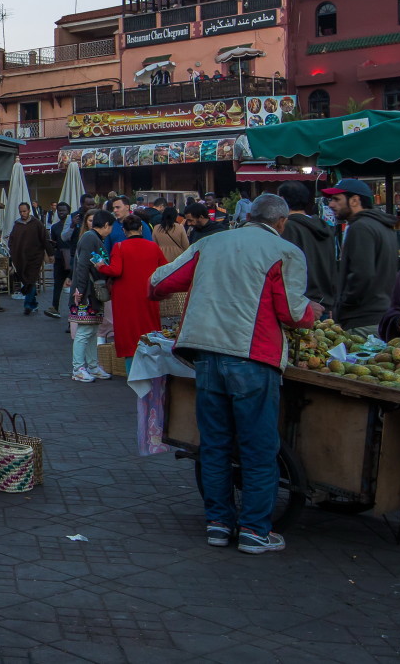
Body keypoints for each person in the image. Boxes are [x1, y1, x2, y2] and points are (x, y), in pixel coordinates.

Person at [150, 193, 320, 554]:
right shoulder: (285, 252)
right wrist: (313, 311)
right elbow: (290, 311)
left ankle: (218, 524)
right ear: (281, 222)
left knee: (215, 445)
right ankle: (255, 531)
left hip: (206, 356)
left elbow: (159, 283)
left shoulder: (211, 242)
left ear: (248, 216)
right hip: (252, 356)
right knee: (258, 448)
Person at [324, 178, 399, 331]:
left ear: (355, 200)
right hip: (380, 314)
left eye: (337, 199)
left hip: (362, 318)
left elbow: (362, 274)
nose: (331, 205)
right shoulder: (382, 225)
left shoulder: (361, 227)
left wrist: (344, 303)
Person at [94, 214, 166, 372]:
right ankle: (152, 369)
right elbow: (164, 268)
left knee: (128, 333)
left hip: (125, 297)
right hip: (148, 294)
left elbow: (115, 270)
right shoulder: (153, 247)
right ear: (141, 228)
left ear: (124, 230)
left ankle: (132, 372)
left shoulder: (119, 247)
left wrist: (100, 266)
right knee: (149, 329)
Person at [276, 180, 338, 309]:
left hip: (302, 304)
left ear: (282, 200)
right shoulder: (323, 226)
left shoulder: (287, 228)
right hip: (327, 301)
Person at [70, 209, 114, 383]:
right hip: (86, 293)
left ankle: (92, 366)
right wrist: (80, 290)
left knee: (93, 330)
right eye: (110, 227)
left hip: (92, 292)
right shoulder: (90, 238)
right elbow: (82, 266)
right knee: (84, 331)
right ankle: (78, 368)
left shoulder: (94, 238)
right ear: (105, 225)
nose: (111, 230)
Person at [8, 202, 48, 316]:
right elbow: (12, 240)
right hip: (21, 257)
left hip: (35, 257)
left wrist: (50, 253)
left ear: (29, 210)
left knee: (31, 279)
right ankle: (34, 303)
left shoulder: (37, 223)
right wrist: (13, 251)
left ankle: (28, 305)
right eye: (20, 211)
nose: (22, 213)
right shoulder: (17, 225)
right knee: (27, 280)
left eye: (24, 211)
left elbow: (44, 238)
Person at [45, 202, 75, 318]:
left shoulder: (73, 226)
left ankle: (73, 309)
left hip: (71, 257)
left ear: (69, 211)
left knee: (74, 284)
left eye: (64, 210)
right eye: (59, 211)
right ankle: (55, 307)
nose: (61, 213)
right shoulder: (55, 227)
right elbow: (54, 243)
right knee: (57, 283)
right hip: (59, 258)